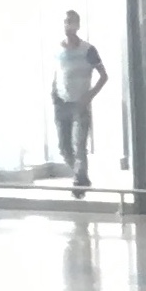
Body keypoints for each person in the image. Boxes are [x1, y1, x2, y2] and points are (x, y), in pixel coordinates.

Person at [52, 10, 108, 196]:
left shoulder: (87, 50)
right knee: (64, 147)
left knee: (79, 145)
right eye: (65, 22)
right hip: (62, 102)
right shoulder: (58, 50)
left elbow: (103, 75)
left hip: (80, 103)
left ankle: (79, 183)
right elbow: (58, 74)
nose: (68, 26)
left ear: (78, 25)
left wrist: (90, 95)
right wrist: (54, 94)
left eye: (71, 22)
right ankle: (81, 176)